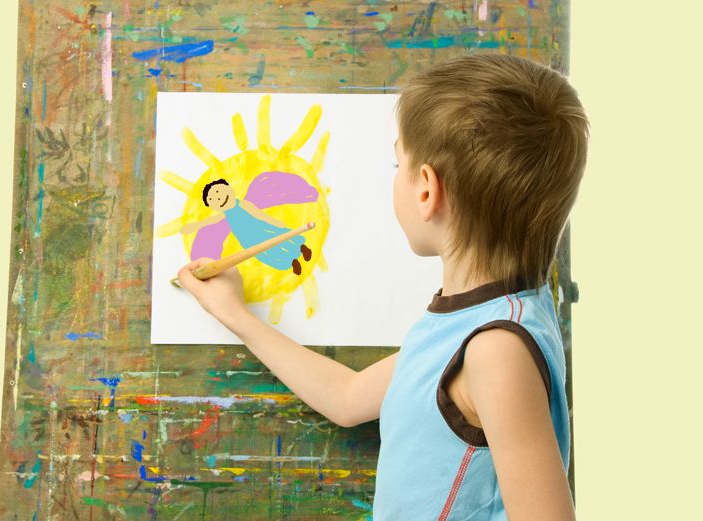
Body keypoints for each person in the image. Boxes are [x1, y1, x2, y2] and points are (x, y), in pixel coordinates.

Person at [177, 53, 588, 520]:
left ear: (427, 190)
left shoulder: (496, 348)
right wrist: (234, 314)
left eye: (399, 164)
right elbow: (349, 399)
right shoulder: (471, 322)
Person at [180, 178, 312, 275]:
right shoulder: (224, 215)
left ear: (230, 190)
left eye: (219, 192)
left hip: (261, 228)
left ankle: (301, 247)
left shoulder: (243, 204)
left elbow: (258, 214)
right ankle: (290, 262)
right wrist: (196, 225)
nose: (219, 198)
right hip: (248, 240)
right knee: (266, 254)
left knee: (280, 237)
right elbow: (211, 220)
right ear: (212, 205)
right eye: (213, 199)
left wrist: (273, 221)